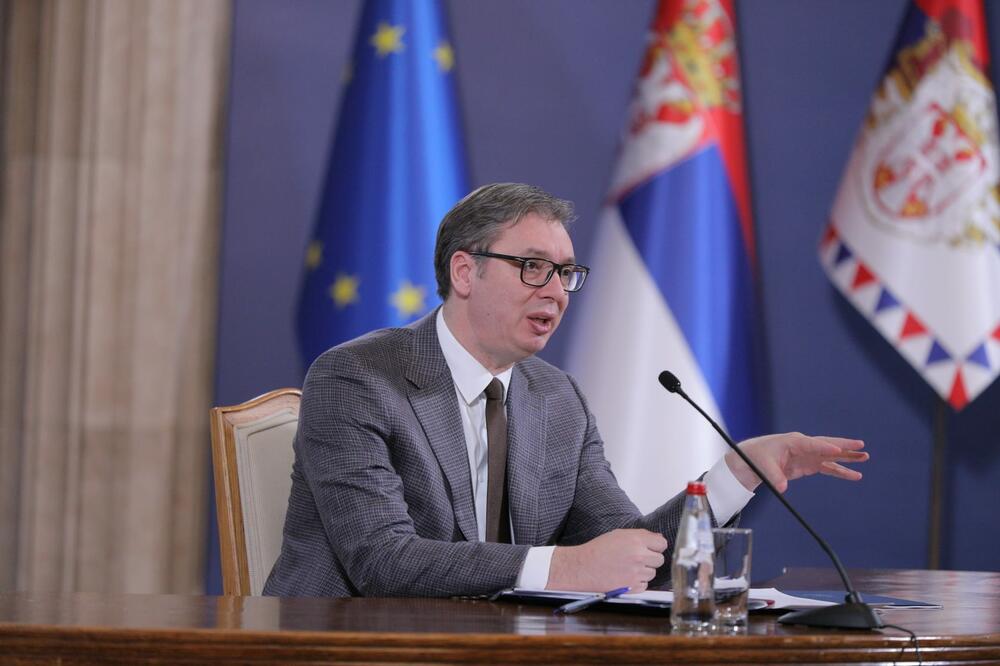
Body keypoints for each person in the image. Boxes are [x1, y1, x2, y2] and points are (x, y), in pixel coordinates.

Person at [263, 183, 868, 598]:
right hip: (349, 649)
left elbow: (635, 556)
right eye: (533, 267)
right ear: (465, 271)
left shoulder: (557, 399)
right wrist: (565, 567)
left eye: (566, 273)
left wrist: (735, 473)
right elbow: (381, 561)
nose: (555, 291)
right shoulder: (357, 377)